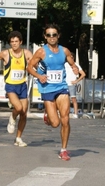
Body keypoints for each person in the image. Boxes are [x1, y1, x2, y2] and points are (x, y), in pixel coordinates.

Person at [27, 24, 79, 161]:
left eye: (54, 35)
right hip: (47, 88)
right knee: (55, 123)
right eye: (48, 35)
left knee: (65, 119)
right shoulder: (41, 52)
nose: (51, 37)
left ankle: (63, 150)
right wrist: (39, 76)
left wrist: (74, 68)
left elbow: (72, 63)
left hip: (61, 87)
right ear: (45, 37)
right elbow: (30, 67)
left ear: (58, 36)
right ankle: (48, 115)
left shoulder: (65, 51)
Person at [0, 31, 33, 147]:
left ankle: (18, 138)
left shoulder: (27, 53)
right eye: (12, 42)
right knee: (18, 107)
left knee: (24, 113)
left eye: (16, 41)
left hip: (22, 85)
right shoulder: (5, 53)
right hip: (11, 86)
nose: (14, 44)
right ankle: (12, 117)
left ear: (21, 42)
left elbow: (35, 64)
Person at [64, 52, 86, 118]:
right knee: (65, 99)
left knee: (73, 99)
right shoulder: (65, 64)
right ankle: (65, 112)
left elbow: (83, 74)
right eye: (69, 57)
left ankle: (76, 113)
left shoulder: (76, 65)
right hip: (65, 84)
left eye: (72, 57)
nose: (70, 59)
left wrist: (76, 81)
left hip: (71, 84)